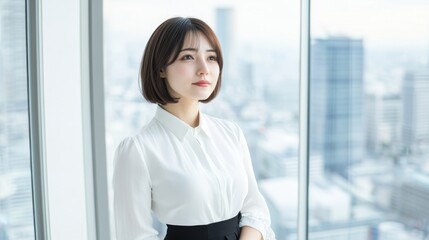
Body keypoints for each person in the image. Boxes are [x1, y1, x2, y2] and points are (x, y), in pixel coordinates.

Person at [113, 17, 276, 240]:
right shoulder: (138, 150)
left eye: (211, 58)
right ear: (161, 68)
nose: (204, 69)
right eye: (188, 57)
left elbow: (255, 209)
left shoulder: (231, 133)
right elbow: (134, 236)